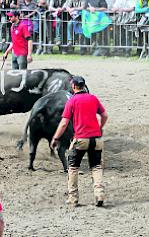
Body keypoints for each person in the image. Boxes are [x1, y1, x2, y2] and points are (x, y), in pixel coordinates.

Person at [51, 75, 108, 207]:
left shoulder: (72, 101)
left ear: (73, 86)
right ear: (84, 86)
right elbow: (104, 115)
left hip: (80, 139)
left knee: (73, 168)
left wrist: (55, 138)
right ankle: (99, 194)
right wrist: (99, 128)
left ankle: (73, 198)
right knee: (96, 167)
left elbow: (64, 123)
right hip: (97, 139)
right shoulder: (93, 98)